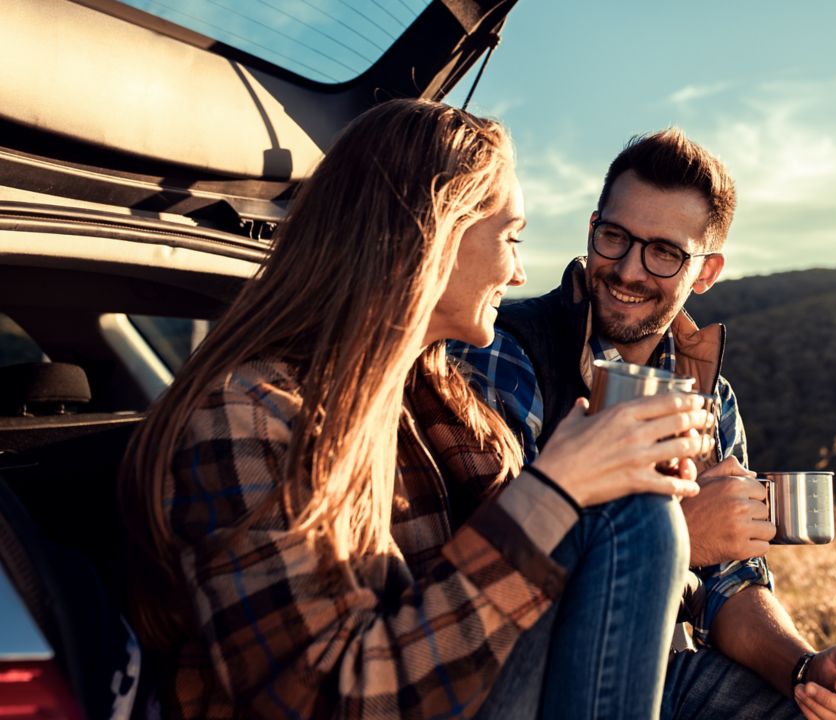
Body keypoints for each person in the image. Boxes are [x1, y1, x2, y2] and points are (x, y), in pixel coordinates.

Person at [118, 99, 718, 720]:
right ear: (432, 239)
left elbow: (533, 559)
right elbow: (325, 700)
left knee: (638, 518)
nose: (518, 273)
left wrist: (605, 479)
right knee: (638, 524)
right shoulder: (247, 415)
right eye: (510, 238)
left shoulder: (432, 394)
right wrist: (559, 485)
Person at [451, 128, 836, 720]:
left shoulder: (711, 394)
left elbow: (731, 582)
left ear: (705, 272)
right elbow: (485, 589)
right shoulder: (506, 353)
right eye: (615, 237)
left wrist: (803, 669)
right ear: (591, 230)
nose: (629, 269)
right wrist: (681, 535)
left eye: (664, 252)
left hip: (672, 673)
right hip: (541, 683)